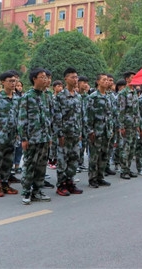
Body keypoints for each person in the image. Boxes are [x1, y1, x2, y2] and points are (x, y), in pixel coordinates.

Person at [18, 68, 53, 204]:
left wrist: (49, 136)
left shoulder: (47, 96)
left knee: (41, 165)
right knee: (29, 165)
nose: (45, 80)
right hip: (32, 138)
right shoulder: (27, 96)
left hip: (44, 137)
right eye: (42, 77)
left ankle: (38, 191)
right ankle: (26, 192)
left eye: (46, 77)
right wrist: (24, 138)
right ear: (34, 79)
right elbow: (22, 119)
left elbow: (49, 117)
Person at [53, 67, 84, 196]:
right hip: (64, 135)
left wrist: (81, 132)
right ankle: (61, 185)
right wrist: (59, 134)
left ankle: (70, 182)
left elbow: (80, 115)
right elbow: (56, 117)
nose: (75, 79)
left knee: (73, 159)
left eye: (76, 77)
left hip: (75, 134)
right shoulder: (60, 97)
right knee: (62, 160)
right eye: (72, 77)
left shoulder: (78, 97)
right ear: (66, 79)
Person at [0, 71, 19, 197]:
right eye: (10, 81)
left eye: (14, 81)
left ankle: (5, 183)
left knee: (8, 160)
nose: (13, 83)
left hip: (12, 135)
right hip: (0, 134)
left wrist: (18, 133)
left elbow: (18, 117)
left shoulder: (17, 98)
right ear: (3, 82)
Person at [85, 73, 113, 188]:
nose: (106, 82)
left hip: (106, 131)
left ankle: (100, 177)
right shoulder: (93, 97)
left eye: (107, 80)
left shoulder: (108, 96)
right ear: (98, 82)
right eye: (104, 80)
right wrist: (90, 131)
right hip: (96, 132)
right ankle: (92, 178)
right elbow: (88, 116)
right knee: (94, 156)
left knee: (104, 155)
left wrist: (111, 129)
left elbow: (110, 115)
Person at [117, 71, 141, 180]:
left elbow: (136, 110)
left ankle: (128, 168)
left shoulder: (134, 92)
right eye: (132, 77)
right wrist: (121, 126)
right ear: (127, 79)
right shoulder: (123, 93)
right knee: (125, 147)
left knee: (132, 147)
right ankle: (124, 170)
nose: (134, 79)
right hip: (126, 124)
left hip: (134, 123)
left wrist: (138, 124)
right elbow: (121, 110)